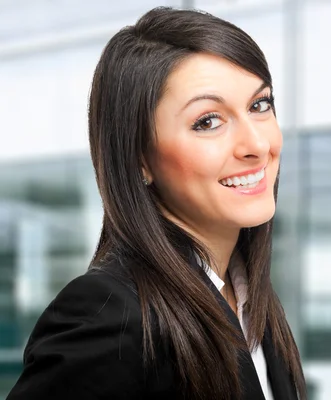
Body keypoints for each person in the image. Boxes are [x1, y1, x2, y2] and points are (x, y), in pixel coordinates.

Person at [7, 7, 305, 400]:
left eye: (259, 105)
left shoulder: (252, 303)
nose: (257, 145)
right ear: (140, 159)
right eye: (208, 121)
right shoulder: (111, 315)